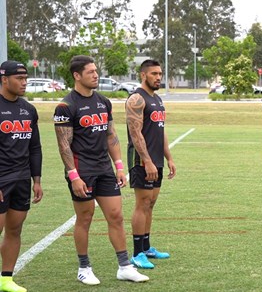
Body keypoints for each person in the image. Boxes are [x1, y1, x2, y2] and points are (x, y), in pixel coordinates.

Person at [53, 55, 149, 285]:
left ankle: (125, 266)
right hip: (82, 171)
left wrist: (118, 167)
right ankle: (84, 267)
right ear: (77, 76)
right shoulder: (66, 106)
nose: (96, 75)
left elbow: (110, 136)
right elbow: (63, 145)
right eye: (90, 72)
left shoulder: (103, 102)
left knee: (116, 216)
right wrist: (73, 176)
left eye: (96, 71)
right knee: (84, 218)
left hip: (104, 169)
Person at [125, 59, 176, 269]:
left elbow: (160, 131)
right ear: (143, 75)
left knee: (151, 204)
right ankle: (137, 253)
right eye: (154, 74)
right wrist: (146, 161)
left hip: (156, 160)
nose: (158, 77)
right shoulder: (136, 99)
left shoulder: (158, 100)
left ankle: (146, 247)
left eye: (160, 73)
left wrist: (169, 157)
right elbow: (135, 134)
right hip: (141, 160)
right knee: (142, 203)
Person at [0, 61, 43, 292]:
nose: (24, 82)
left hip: (22, 179)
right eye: (19, 78)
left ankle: (6, 279)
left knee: (15, 229)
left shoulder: (28, 109)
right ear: (4, 79)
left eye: (26, 78)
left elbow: (34, 147)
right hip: (1, 178)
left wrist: (36, 179)